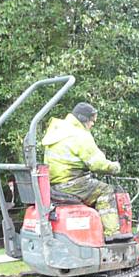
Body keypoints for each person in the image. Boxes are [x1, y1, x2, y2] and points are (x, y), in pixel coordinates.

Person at [41, 102, 124, 242]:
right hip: (72, 183)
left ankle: (96, 231)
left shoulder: (58, 130)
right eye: (92, 121)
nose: (92, 124)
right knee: (106, 191)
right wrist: (114, 167)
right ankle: (112, 234)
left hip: (55, 184)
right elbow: (97, 163)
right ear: (83, 119)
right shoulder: (78, 134)